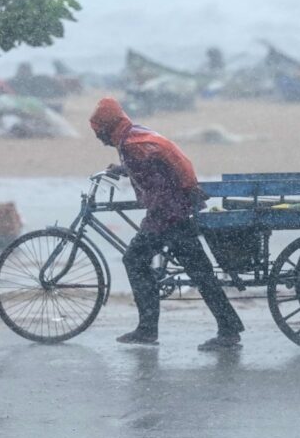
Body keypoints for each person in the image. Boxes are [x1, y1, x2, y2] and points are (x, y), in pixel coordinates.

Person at [89, 97, 245, 351]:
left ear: (107, 128)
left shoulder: (131, 146)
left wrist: (153, 222)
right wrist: (123, 169)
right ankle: (228, 328)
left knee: (135, 259)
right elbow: (157, 165)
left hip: (169, 216)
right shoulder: (135, 135)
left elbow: (159, 188)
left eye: (99, 133)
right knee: (200, 272)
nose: (100, 140)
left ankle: (148, 329)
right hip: (178, 210)